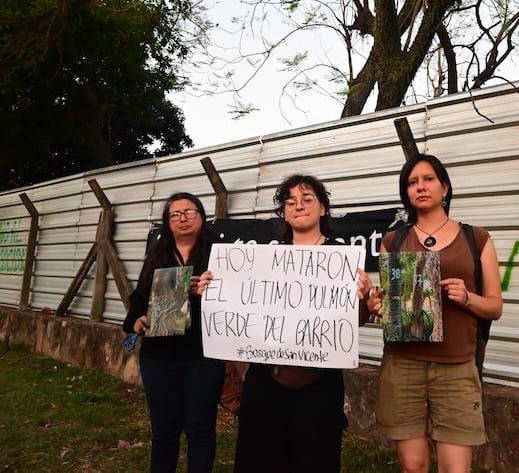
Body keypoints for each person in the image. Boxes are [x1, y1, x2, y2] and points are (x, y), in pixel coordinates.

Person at [197, 174, 358, 473]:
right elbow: (237, 301)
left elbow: (351, 321)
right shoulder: (263, 256)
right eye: (290, 202)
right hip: (265, 381)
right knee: (261, 458)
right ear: (283, 212)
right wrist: (214, 287)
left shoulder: (342, 258)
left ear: (323, 208)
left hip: (318, 384)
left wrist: (362, 299)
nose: (299, 206)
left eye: (307, 199)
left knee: (314, 459)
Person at [359, 154, 504, 473]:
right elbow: (390, 308)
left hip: (456, 367)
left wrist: (467, 298)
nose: (420, 187)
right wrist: (377, 306)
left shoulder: (476, 238)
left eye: (428, 179)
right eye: (412, 182)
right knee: (413, 465)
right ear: (405, 193)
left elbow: (495, 307)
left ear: (445, 188)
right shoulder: (393, 242)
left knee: (455, 469)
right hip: (403, 365)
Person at [122, 192, 225, 473]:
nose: (182, 218)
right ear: (167, 222)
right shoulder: (158, 256)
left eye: (189, 212)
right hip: (158, 357)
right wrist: (136, 321)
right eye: (175, 214)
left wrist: (212, 290)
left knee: (200, 430)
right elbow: (138, 300)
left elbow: (238, 302)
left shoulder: (221, 256)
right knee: (164, 430)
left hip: (204, 357)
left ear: (202, 216)